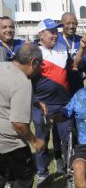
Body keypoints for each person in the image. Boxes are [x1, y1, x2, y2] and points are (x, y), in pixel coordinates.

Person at [32, 18, 75, 184]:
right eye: (51, 32)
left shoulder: (64, 48)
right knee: (42, 141)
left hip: (63, 104)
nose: (55, 35)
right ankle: (42, 174)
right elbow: (24, 79)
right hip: (41, 105)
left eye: (56, 31)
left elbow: (72, 70)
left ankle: (68, 171)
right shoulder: (32, 51)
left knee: (67, 140)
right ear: (41, 34)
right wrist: (35, 100)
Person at [0, 43, 45, 188]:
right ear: (33, 62)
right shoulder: (22, 82)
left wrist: (34, 101)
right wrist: (34, 141)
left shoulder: (2, 67)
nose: (40, 70)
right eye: (40, 65)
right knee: (23, 180)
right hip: (11, 146)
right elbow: (18, 124)